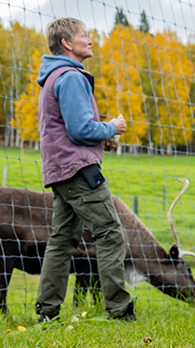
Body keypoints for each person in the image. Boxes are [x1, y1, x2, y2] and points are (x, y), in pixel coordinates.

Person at [33, 17, 134, 322]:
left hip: (61, 170)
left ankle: (47, 313)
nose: (90, 40)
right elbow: (79, 130)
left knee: (62, 240)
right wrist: (111, 127)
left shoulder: (54, 77)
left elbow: (67, 129)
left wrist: (101, 139)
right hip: (79, 171)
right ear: (67, 43)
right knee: (110, 233)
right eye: (84, 36)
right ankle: (119, 310)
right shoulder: (72, 77)